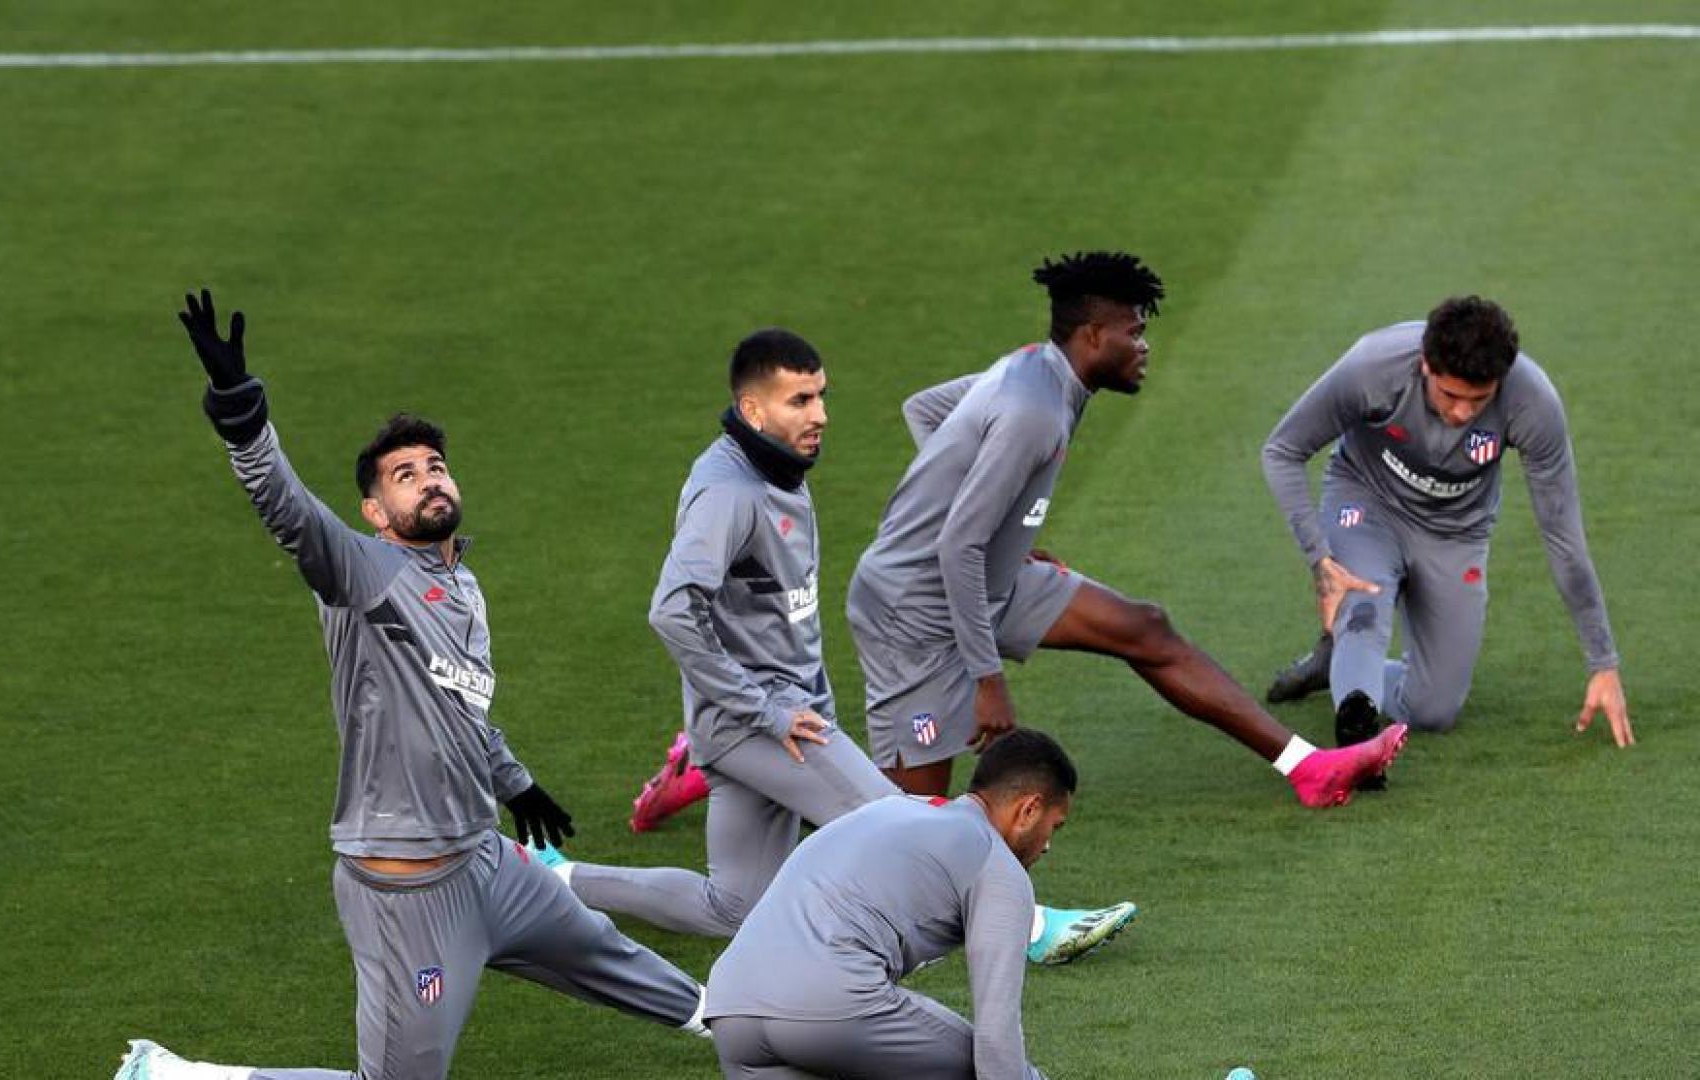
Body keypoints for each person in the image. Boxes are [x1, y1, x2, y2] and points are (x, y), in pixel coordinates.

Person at [112, 290, 710, 1080]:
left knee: (610, 955)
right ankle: (180, 1076)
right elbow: (289, 514)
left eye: (435, 466)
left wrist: (515, 782)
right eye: (404, 475)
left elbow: (460, 707)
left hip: (486, 862)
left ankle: (743, 1020)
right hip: (409, 892)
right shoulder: (366, 572)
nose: (427, 479)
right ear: (375, 510)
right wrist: (242, 419)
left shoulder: (462, 585)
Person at [538, 329, 1133, 966]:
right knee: (899, 820)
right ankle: (1034, 928)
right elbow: (672, 611)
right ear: (753, 410)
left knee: (734, 904)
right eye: (799, 400)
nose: (819, 414)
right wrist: (762, 709)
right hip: (765, 723)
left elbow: (775, 615)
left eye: (821, 395)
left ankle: (555, 879)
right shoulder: (729, 493)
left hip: (750, 718)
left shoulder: (778, 468)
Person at [847, 252, 1406, 806]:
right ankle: (802, 806)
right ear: (1093, 336)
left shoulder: (1038, 370)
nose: (1145, 347)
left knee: (1145, 629)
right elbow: (957, 544)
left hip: (982, 580)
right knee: (909, 818)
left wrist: (1002, 537)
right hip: (914, 611)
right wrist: (988, 680)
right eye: (1135, 332)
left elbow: (924, 410)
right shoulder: (1033, 410)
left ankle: (1309, 768)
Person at [1259, 296, 1632, 771]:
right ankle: (1356, 739)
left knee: (1435, 710)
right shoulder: (1373, 367)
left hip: (1457, 533)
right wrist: (1320, 560)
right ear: (1425, 365)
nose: (1461, 413)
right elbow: (1282, 449)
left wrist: (1603, 661)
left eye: (1479, 400)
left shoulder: (1533, 404)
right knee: (1365, 609)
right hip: (1366, 503)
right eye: (1449, 395)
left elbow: (1563, 537)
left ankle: (1334, 668)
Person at [704, 729, 1082, 1080]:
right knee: (990, 1066)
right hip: (831, 1006)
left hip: (730, 1009)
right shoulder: (996, 864)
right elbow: (996, 1044)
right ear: (1028, 810)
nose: (1048, 844)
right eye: (1055, 826)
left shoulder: (890, 809)